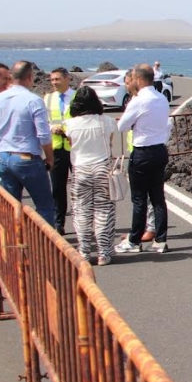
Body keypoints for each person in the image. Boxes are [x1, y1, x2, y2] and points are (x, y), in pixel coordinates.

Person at [0, 61, 58, 226]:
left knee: (12, 205)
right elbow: (44, 134)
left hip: (4, 156)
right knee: (45, 205)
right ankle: (45, 241)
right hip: (27, 157)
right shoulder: (34, 100)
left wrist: (2, 144)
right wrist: (50, 158)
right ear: (30, 77)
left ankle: (13, 238)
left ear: (12, 76)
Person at [114, 63, 171, 254]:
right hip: (159, 150)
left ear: (138, 79)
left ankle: (134, 240)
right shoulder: (162, 98)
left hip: (142, 152)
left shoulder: (138, 101)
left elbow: (122, 126)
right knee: (158, 198)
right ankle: (160, 241)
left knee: (139, 199)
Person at [63, 86, 119, 266]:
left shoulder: (70, 124)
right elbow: (109, 143)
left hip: (80, 168)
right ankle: (104, 253)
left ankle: (84, 251)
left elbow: (71, 144)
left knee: (82, 211)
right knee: (104, 210)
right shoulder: (107, 121)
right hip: (102, 168)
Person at [43, 68, 75, 234]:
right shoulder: (48, 98)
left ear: (67, 79)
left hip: (74, 147)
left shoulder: (77, 96)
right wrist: (51, 128)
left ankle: (81, 223)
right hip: (56, 148)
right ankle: (59, 223)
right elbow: (43, 120)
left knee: (79, 187)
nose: (54, 83)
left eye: (57, 79)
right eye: (52, 80)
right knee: (57, 188)